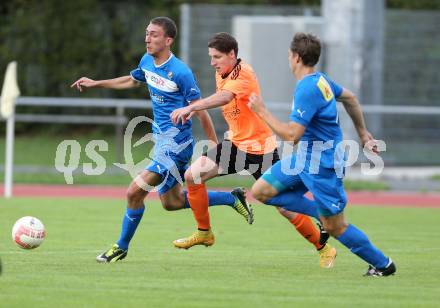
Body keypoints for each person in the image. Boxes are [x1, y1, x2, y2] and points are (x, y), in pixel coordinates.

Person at [71, 17, 254, 263]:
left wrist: (213, 143)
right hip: (161, 142)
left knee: (134, 192)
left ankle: (120, 247)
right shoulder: (146, 61)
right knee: (172, 202)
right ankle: (232, 198)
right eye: (147, 33)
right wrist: (97, 83)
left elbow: (199, 109)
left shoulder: (181, 72)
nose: (148, 38)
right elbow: (131, 80)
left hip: (176, 145)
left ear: (168, 40)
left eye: (154, 34)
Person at [170, 32, 336, 268]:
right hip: (237, 146)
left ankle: (324, 247)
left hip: (261, 151)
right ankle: (204, 232)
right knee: (192, 175)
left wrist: (192, 107)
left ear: (232, 54)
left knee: (283, 206)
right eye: (211, 57)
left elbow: (225, 97)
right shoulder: (222, 72)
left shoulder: (244, 73)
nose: (212, 62)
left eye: (217, 57)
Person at [248, 32, 396, 276]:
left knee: (337, 227)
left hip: (322, 164)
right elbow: (351, 97)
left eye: (288, 54)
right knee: (261, 190)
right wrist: (362, 132)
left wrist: (262, 111)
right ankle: (322, 214)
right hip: (304, 159)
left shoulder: (307, 88)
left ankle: (383, 265)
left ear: (295, 57)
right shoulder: (320, 80)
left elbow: (292, 135)